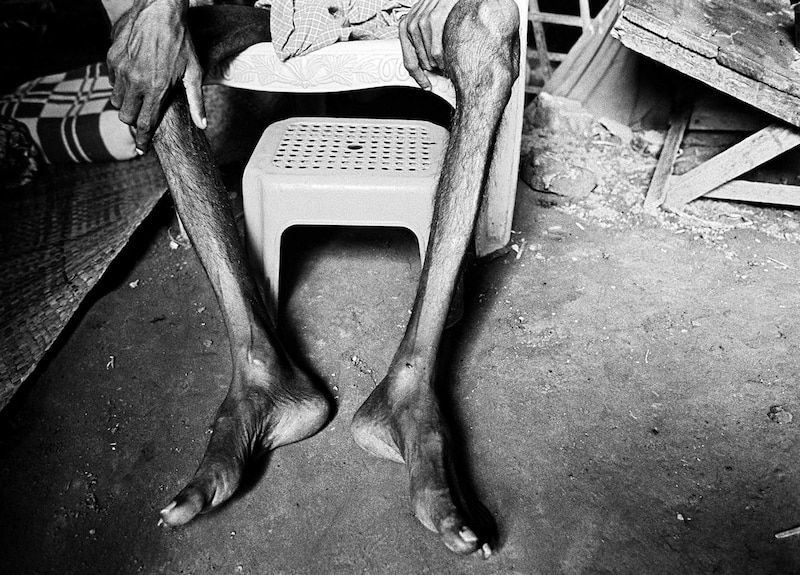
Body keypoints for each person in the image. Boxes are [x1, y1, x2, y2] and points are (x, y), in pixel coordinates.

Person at [107, 0, 519, 557]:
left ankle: (411, 388)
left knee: (490, 21)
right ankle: (259, 370)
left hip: (412, 7)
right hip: (286, 9)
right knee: (147, 43)